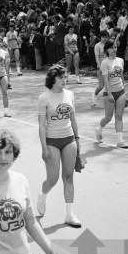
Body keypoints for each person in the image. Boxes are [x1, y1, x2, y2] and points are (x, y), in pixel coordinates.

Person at [36, 65, 82, 227]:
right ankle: (43, 195)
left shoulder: (69, 94)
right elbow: (42, 125)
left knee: (68, 177)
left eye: (65, 77)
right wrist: (44, 148)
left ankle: (69, 215)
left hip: (69, 139)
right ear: (53, 79)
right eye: (61, 77)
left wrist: (77, 139)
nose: (64, 80)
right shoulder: (44, 98)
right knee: (53, 179)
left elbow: (73, 118)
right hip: (52, 141)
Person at [96, 41, 128, 148]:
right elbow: (105, 80)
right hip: (109, 93)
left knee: (119, 116)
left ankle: (120, 141)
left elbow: (121, 77)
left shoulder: (120, 60)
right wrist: (109, 94)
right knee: (108, 117)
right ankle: (99, 130)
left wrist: (124, 92)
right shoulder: (104, 63)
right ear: (106, 50)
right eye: (111, 48)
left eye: (115, 47)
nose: (114, 49)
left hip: (120, 92)